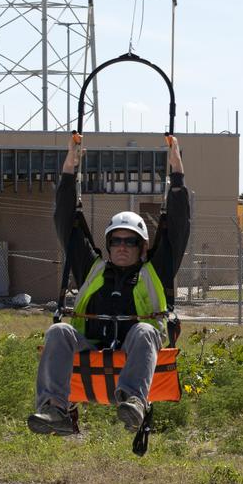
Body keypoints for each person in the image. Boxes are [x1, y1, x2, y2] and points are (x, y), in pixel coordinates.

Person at [28, 133, 190, 437]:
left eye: (130, 241)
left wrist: (177, 176)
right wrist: (68, 169)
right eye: (116, 240)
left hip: (133, 351)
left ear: (142, 246)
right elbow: (66, 223)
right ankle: (54, 409)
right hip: (91, 348)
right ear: (108, 244)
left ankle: (133, 403)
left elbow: (179, 227)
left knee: (145, 330)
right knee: (58, 331)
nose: (122, 246)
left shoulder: (156, 270)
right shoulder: (92, 269)